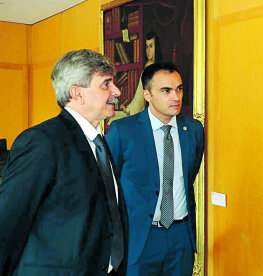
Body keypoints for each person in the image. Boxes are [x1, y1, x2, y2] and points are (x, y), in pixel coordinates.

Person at [0, 49, 129, 276]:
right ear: (77, 93)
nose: (116, 92)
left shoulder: (99, 142)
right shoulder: (42, 141)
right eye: (105, 84)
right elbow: (8, 223)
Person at [106, 62, 205, 276]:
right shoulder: (123, 131)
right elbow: (106, 187)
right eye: (166, 90)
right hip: (140, 238)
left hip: (181, 236)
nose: (176, 97)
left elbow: (189, 176)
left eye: (179, 88)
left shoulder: (194, 130)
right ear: (147, 95)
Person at [120, 31, 163, 117]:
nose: (148, 50)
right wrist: (129, 109)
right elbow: (140, 94)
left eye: (151, 46)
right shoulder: (147, 67)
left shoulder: (160, 70)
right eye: (147, 47)